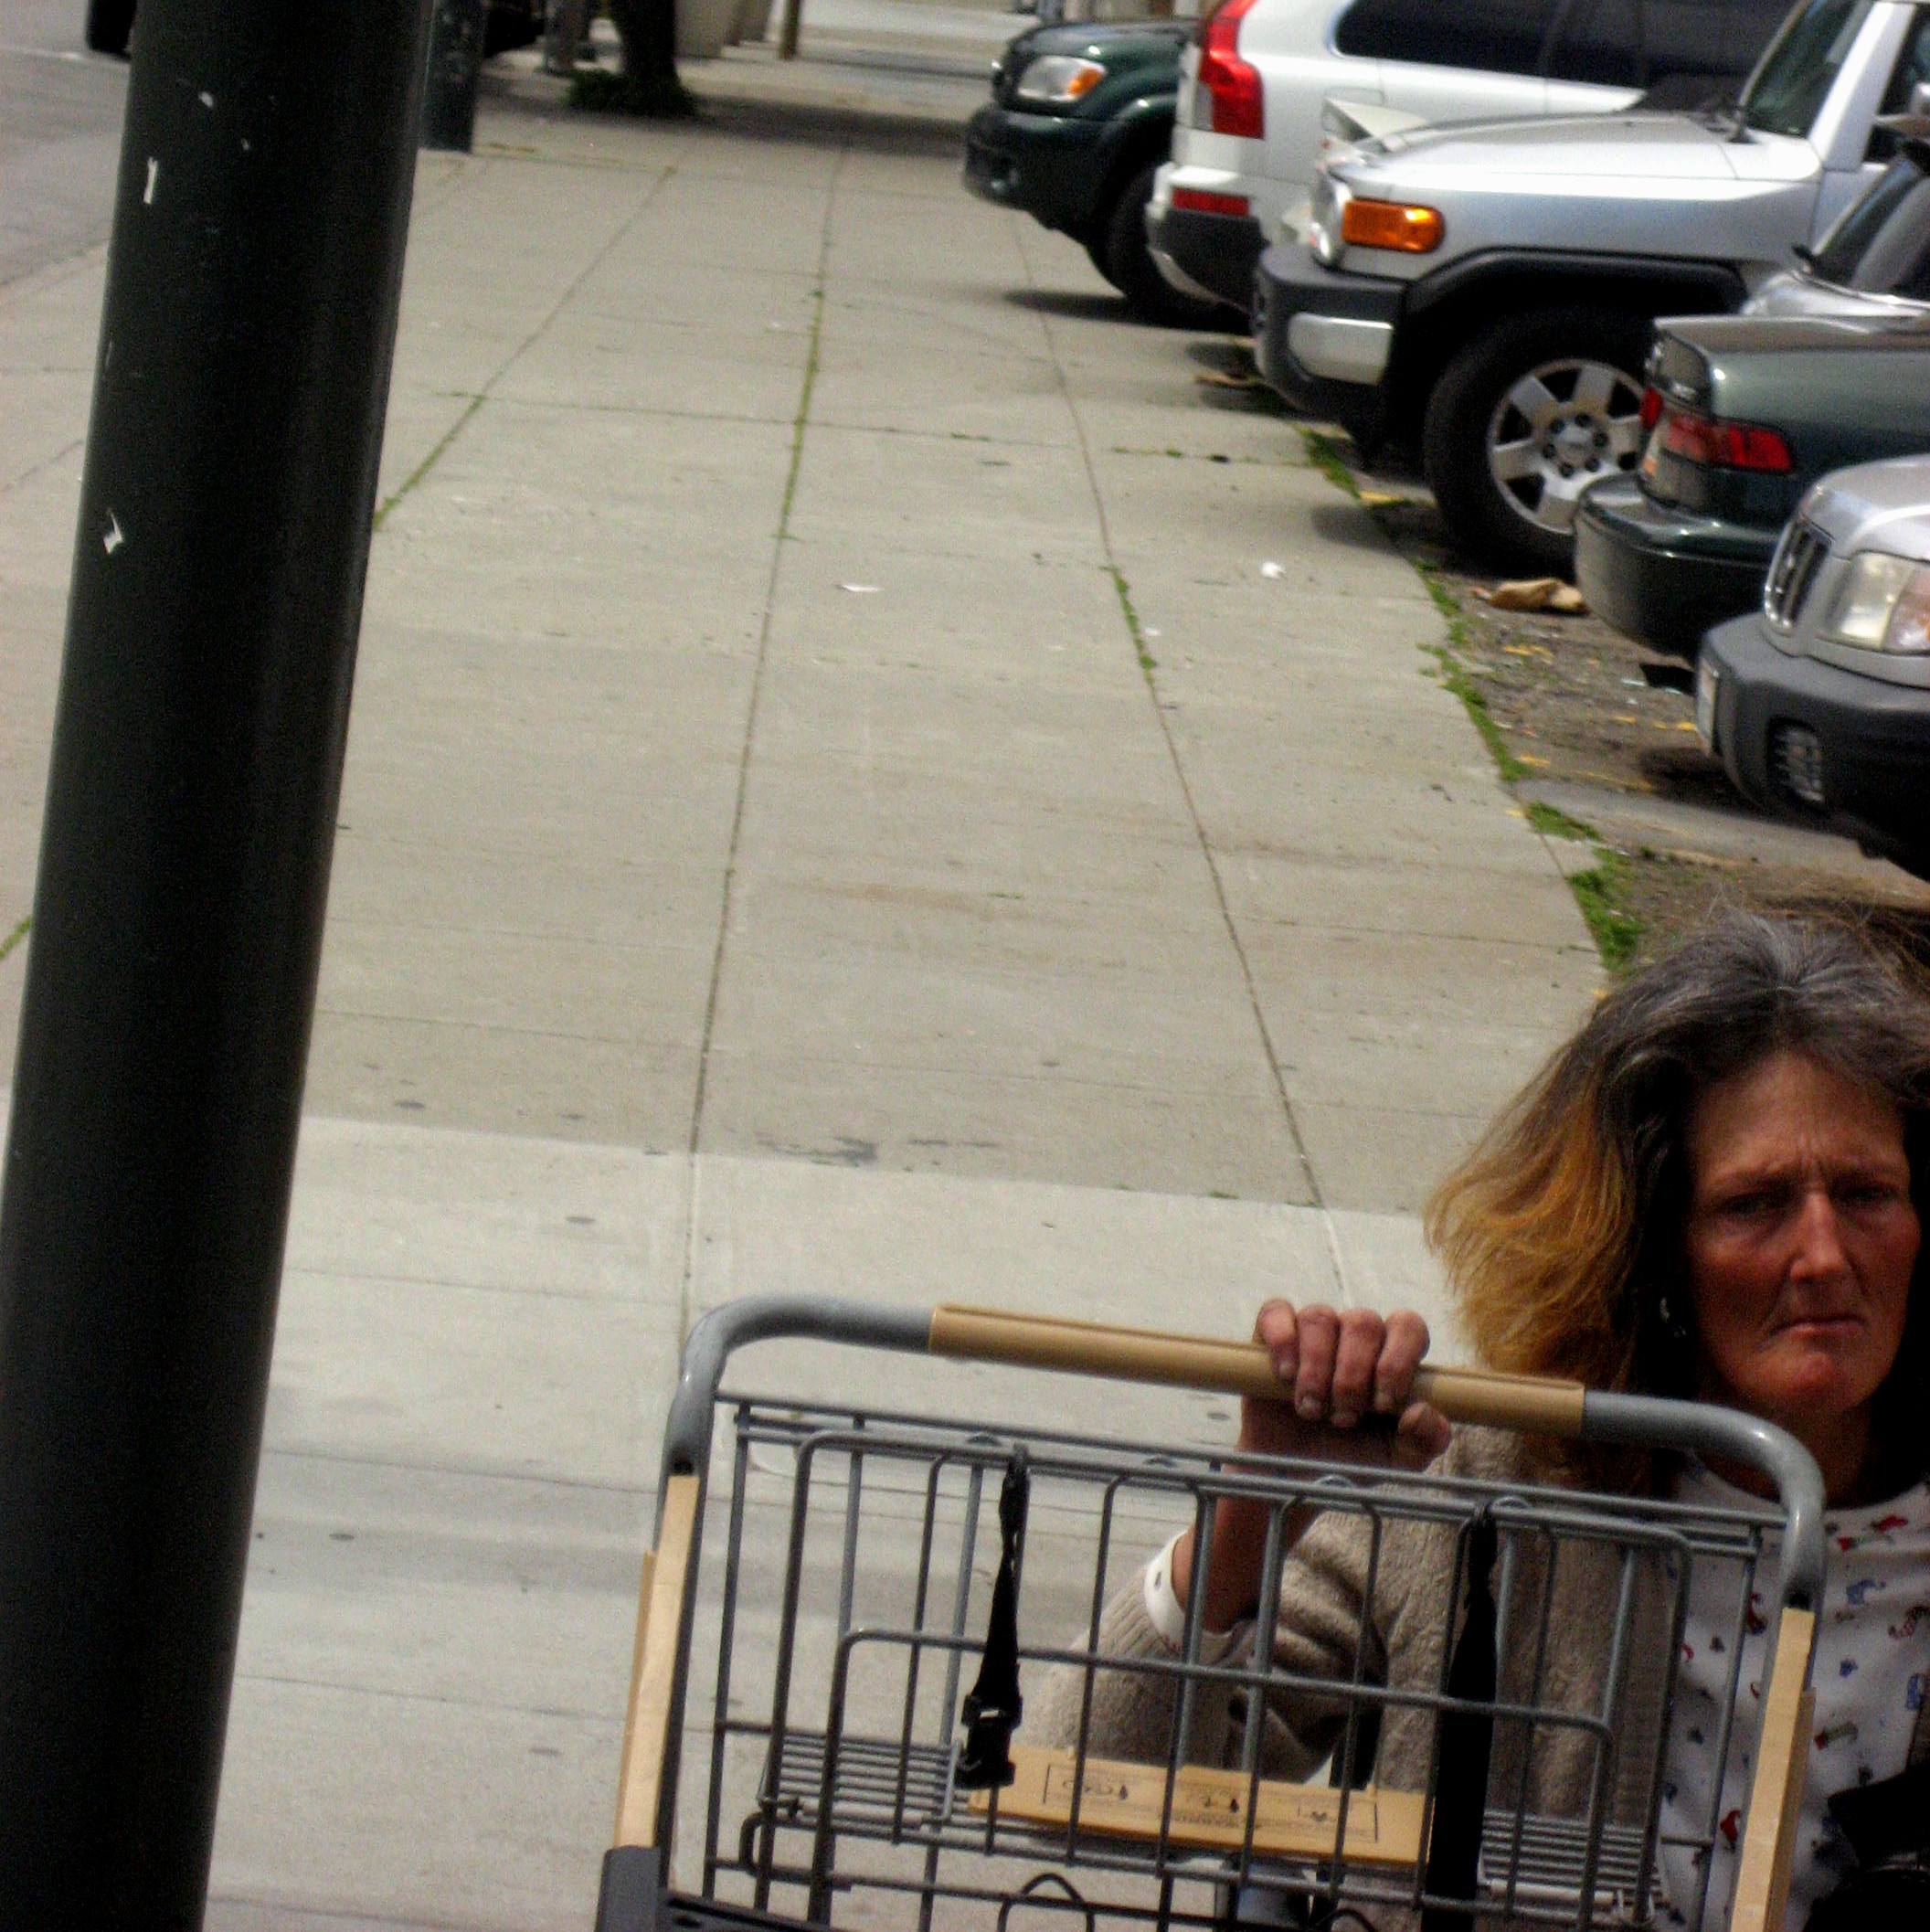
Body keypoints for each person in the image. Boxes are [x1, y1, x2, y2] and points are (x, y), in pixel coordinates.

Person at [1033, 914, 1930, 1929]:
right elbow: (1076, 1790)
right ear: (1653, 1250)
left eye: (1866, 1193)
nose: (1823, 1253)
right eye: (1754, 1204)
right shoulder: (1501, 1487)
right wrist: (1259, 1497)